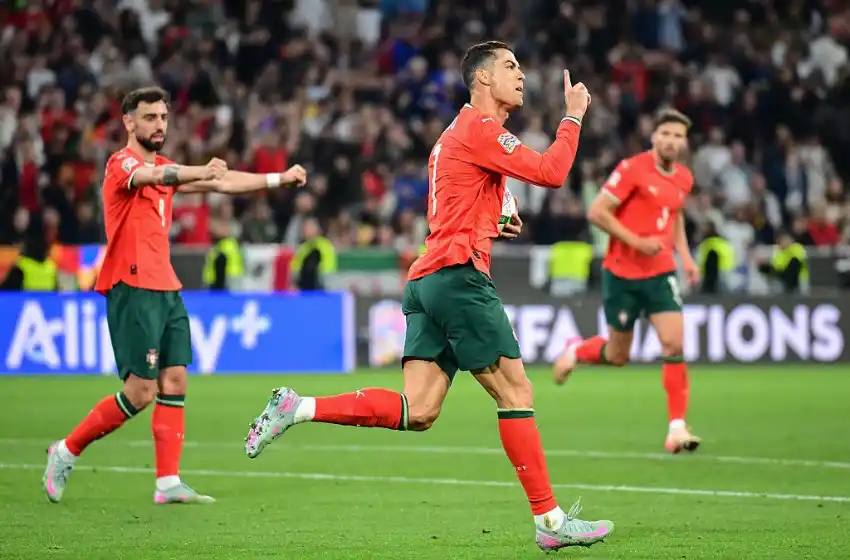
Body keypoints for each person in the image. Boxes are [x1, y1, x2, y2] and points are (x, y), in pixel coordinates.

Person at [243, 41, 614, 551]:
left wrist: (494, 216)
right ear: (482, 79)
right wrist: (572, 117)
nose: (521, 75)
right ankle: (550, 523)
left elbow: (459, 199)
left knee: (418, 410)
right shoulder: (481, 128)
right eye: (510, 66)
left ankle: (297, 406)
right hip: (459, 277)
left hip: (429, 279)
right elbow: (552, 172)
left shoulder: (454, 135)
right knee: (516, 394)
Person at [42, 86, 307, 505]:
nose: (159, 125)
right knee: (140, 392)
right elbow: (154, 176)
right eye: (150, 117)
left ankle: (167, 483)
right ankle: (66, 450)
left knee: (176, 379)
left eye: (163, 117)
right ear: (129, 122)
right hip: (132, 287)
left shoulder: (168, 167)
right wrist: (200, 169)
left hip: (166, 287)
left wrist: (279, 178)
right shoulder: (121, 164)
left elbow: (222, 182)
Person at [553, 108, 702, 454]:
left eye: (678, 136)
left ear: (684, 142)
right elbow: (597, 212)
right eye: (666, 134)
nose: (671, 141)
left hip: (661, 273)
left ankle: (676, 428)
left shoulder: (683, 178)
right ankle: (577, 350)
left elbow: (675, 215)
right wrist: (637, 242)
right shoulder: (632, 169)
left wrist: (686, 256)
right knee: (618, 355)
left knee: (674, 345)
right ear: (654, 137)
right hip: (622, 274)